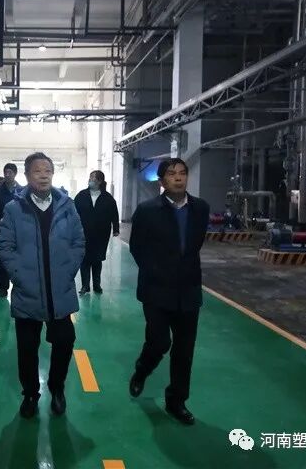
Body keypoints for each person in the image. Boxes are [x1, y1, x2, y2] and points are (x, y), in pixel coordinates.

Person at [0, 152, 85, 418]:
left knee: (65, 340)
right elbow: (5, 247)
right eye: (37, 171)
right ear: (26, 175)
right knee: (27, 348)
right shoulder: (14, 209)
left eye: (48, 170)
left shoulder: (67, 206)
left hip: (60, 291)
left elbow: (78, 242)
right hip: (28, 293)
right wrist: (20, 277)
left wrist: (68, 271)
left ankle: (57, 388)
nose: (43, 175)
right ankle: (30, 394)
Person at [128, 158, 210, 426]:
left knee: (184, 350)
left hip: (188, 290)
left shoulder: (200, 208)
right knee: (159, 342)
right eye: (172, 174)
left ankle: (176, 401)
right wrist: (155, 271)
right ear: (162, 181)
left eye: (182, 173)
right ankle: (142, 370)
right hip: (156, 290)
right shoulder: (147, 210)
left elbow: (195, 245)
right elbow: (137, 247)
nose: (178, 178)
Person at [74, 170, 120, 295]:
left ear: (99, 181)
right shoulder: (81, 195)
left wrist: (116, 229)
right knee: (84, 259)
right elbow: (73, 212)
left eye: (93, 178)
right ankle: (85, 286)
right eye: (90, 178)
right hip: (83, 233)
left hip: (101, 234)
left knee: (97, 259)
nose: (90, 180)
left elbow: (114, 214)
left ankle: (97, 285)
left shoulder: (108, 198)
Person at [0, 163, 23, 297]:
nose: (7, 175)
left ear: (15, 174)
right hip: (3, 230)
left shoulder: (23, 191)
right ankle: (3, 287)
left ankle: (20, 284)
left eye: (10, 172)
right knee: (3, 257)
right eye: (5, 172)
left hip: (20, 230)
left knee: (20, 257)